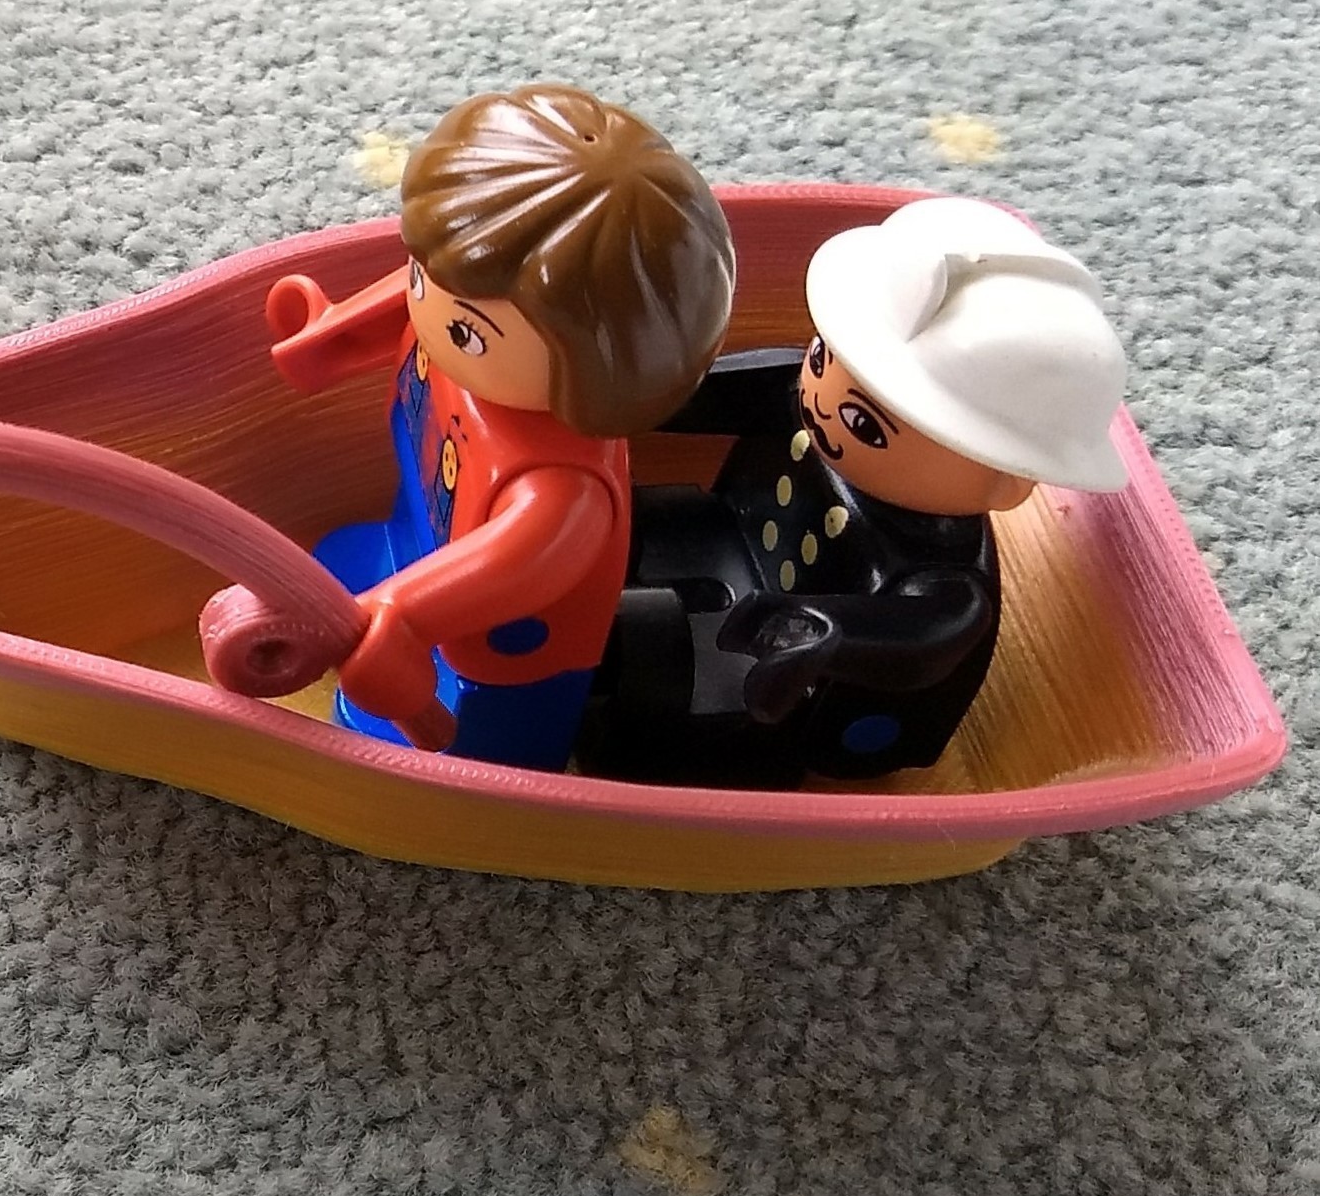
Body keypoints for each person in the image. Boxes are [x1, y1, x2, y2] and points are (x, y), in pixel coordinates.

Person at [227, 88, 736, 767]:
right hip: (415, 533)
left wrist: (405, 615)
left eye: (467, 327)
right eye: (423, 274)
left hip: (493, 661)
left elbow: (509, 565)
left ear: (595, 367)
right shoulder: (459, 327)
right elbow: (420, 305)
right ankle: (395, 573)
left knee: (498, 718)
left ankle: (490, 762)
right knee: (403, 534)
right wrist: (330, 337)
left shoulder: (559, 487)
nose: (429, 311)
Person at [578, 198, 1129, 787]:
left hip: (794, 687)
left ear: (1006, 482)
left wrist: (827, 630)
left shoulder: (940, 575)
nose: (817, 400)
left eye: (865, 423)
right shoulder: (803, 404)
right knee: (624, 521)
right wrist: (642, 400)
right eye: (821, 358)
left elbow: (928, 633)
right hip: (721, 530)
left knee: (649, 665)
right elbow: (736, 391)